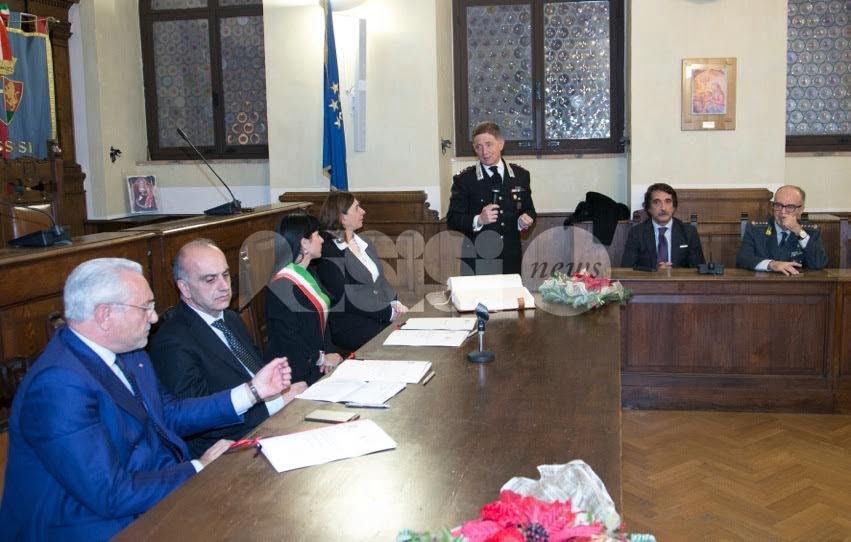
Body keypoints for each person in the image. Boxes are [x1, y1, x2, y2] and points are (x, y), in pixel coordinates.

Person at [0, 258, 292, 541]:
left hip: (150, 495)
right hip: (90, 525)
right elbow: (109, 494)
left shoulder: (131, 353)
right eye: (146, 308)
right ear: (104, 315)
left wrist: (252, 391)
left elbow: (169, 413)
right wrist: (199, 468)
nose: (154, 318)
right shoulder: (58, 385)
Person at [149, 239, 306, 458]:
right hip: (228, 451)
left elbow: (256, 375)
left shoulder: (231, 319)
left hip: (270, 424)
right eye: (210, 279)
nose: (224, 286)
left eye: (225, 275)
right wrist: (277, 403)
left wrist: (283, 394)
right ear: (184, 287)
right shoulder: (172, 341)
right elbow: (200, 423)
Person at [314, 191, 408, 351]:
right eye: (357, 208)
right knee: (398, 344)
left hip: (377, 315)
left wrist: (394, 302)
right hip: (351, 324)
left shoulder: (364, 242)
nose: (363, 211)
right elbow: (348, 297)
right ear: (342, 216)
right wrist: (387, 312)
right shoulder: (329, 251)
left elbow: (380, 280)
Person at [446, 121, 536, 275]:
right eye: (478, 147)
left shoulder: (520, 176)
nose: (484, 151)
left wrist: (525, 220)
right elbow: (452, 219)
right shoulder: (465, 179)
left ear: (501, 144)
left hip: (510, 258)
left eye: (489, 144)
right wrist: (479, 220)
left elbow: (529, 210)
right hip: (477, 259)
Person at [266, 214, 343, 384]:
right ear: (304, 243)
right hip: (297, 372)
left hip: (319, 363)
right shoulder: (281, 287)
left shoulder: (310, 274)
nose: (322, 240)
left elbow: (324, 325)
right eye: (317, 235)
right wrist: (321, 359)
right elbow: (290, 342)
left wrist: (329, 353)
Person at [736, 185, 828, 275]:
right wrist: (771, 264)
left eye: (790, 207)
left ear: (801, 210)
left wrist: (799, 232)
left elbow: (819, 263)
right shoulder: (756, 229)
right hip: (763, 283)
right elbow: (743, 260)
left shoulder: (809, 232)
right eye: (778, 205)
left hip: (796, 283)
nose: (783, 212)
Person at [621, 183, 705, 269]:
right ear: (649, 208)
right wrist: (655, 271)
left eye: (668, 201)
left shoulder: (689, 232)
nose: (663, 208)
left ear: (674, 207)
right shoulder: (636, 233)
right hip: (649, 278)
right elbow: (627, 268)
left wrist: (674, 272)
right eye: (656, 202)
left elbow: (698, 268)